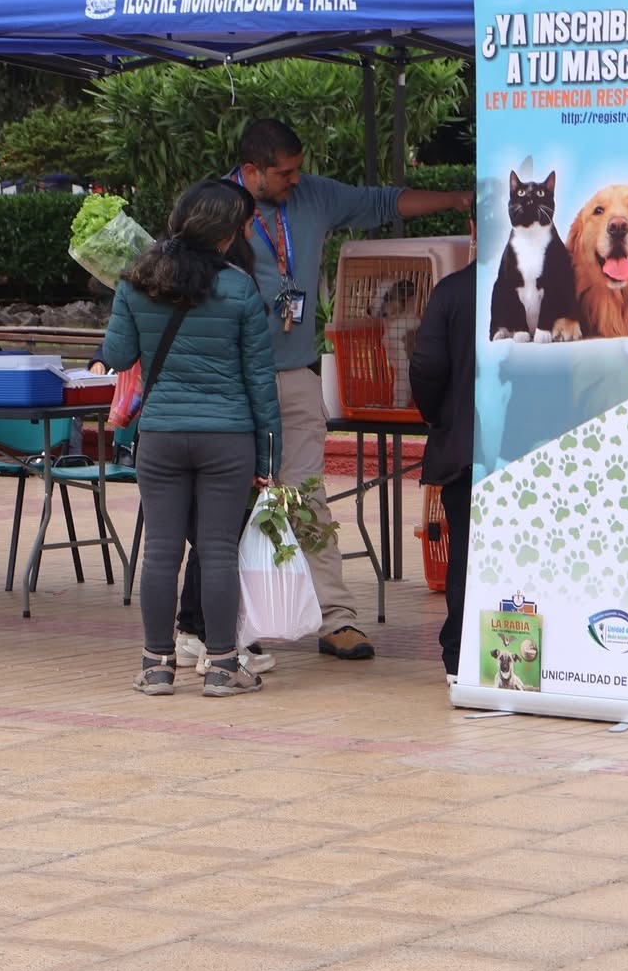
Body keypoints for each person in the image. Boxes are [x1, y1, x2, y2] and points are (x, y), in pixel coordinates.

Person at [225, 118, 473, 660]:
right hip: (233, 379)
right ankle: (227, 622)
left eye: (298, 170)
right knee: (231, 500)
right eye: (284, 173)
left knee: (307, 496)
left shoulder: (313, 195)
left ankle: (335, 617)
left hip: (296, 375)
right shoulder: (218, 206)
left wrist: (457, 198)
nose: (296, 180)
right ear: (251, 171)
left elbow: (384, 202)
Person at [98, 181, 282, 697]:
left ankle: (156, 667)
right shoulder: (240, 288)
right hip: (227, 437)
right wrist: (269, 457)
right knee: (218, 550)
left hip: (160, 434)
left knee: (160, 551)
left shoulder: (137, 281)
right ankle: (222, 667)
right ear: (225, 235)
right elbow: (260, 381)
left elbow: (117, 356)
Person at [409, 233, 476, 682]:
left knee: (466, 551)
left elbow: (426, 367)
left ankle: (461, 654)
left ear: (474, 226)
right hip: (539, 451)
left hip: (465, 448)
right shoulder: (562, 286)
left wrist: (440, 417)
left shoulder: (453, 291)